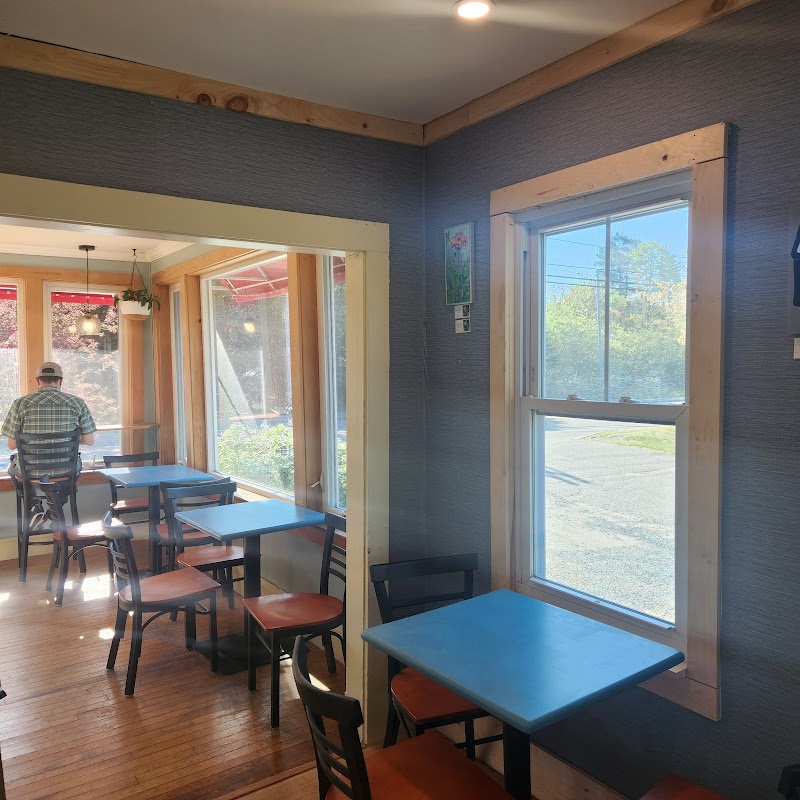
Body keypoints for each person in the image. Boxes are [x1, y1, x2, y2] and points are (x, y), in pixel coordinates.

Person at [2, 362, 97, 480]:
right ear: (60, 380)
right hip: (67, 469)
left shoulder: (20, 404)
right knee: (76, 464)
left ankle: (29, 496)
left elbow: (12, 445)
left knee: (12, 467)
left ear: (38, 380)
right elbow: (89, 441)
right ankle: (59, 496)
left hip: (30, 471)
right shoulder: (77, 403)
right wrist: (65, 439)